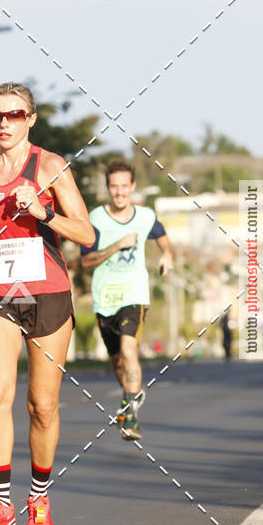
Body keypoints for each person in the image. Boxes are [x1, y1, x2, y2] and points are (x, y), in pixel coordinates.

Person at [0, 82, 95, 525]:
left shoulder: (51, 166)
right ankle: (1, 503)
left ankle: (39, 497)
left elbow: (87, 234)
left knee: (42, 405)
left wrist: (43, 211)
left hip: (48, 292)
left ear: (30, 119)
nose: (4, 123)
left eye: (15, 115)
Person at [80, 159, 173, 441]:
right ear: (108, 188)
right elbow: (85, 262)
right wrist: (117, 245)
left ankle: (130, 414)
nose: (119, 192)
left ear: (133, 186)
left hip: (134, 293)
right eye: (114, 187)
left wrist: (167, 254)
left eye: (124, 186)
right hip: (104, 297)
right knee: (117, 361)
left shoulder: (145, 216)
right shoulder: (96, 218)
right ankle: (130, 393)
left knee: (129, 350)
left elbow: (161, 236)